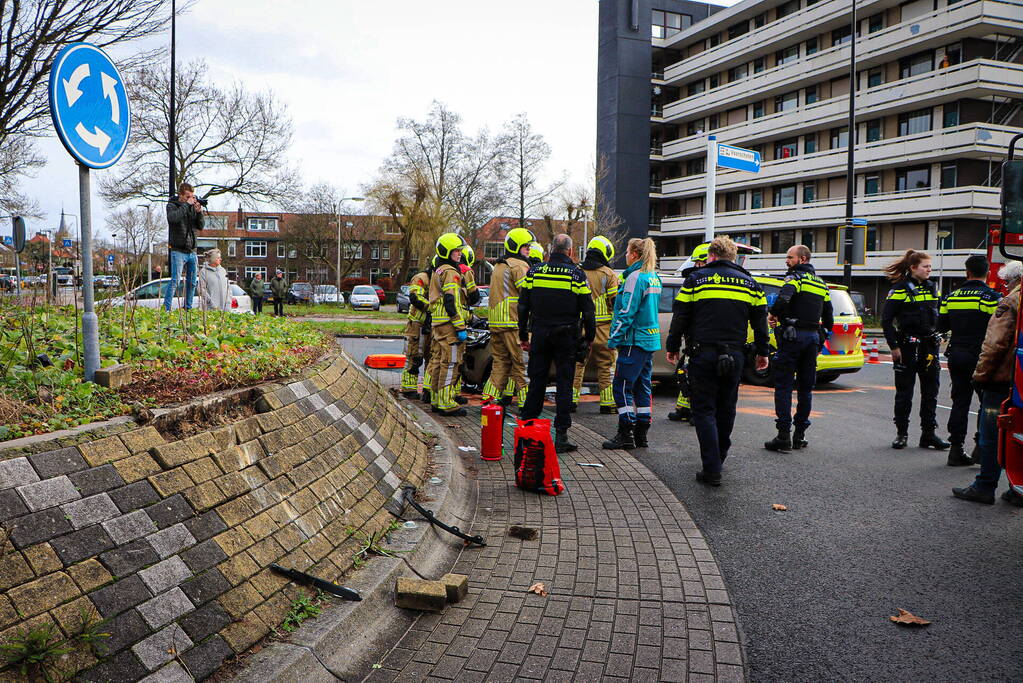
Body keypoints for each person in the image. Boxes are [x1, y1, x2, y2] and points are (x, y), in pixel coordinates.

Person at [666, 236, 769, 486]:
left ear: (711, 256)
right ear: (733, 257)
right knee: (726, 409)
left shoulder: (695, 280)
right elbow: (760, 323)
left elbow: (680, 316)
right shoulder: (751, 284)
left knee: (704, 410)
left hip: (703, 354)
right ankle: (719, 458)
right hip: (734, 355)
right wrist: (762, 353)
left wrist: (672, 347)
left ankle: (711, 468)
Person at [953, 261, 1023, 506]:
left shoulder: (1009, 303)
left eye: (1006, 282)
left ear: (1012, 281)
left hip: (1000, 380)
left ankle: (984, 486)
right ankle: (1017, 488)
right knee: (1018, 435)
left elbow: (994, 344)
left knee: (992, 434)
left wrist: (980, 376)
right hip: (1019, 380)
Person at [519, 233, 596, 453]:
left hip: (541, 333)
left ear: (551, 249)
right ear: (570, 251)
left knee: (537, 382)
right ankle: (561, 436)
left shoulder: (534, 271)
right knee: (564, 384)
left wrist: (524, 335)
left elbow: (523, 305)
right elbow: (588, 310)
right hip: (566, 336)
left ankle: (527, 430)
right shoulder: (576, 274)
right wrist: (589, 338)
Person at [764, 245, 834, 452]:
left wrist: (773, 314)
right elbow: (829, 317)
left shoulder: (795, 278)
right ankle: (800, 436)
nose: (787, 261)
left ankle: (783, 436)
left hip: (792, 338)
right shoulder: (822, 284)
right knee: (805, 389)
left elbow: (784, 298)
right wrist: (821, 338)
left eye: (790, 257)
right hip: (812, 340)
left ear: (802, 259)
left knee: (784, 386)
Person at [882, 249, 950, 450]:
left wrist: (941, 333)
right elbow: (886, 320)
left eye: (930, 266)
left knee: (931, 393)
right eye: (926, 266)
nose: (929, 270)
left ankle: (928, 434)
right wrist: (894, 347)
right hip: (907, 348)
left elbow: (936, 317)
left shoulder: (932, 288)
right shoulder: (899, 289)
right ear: (913, 268)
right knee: (905, 393)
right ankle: (901, 434)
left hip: (929, 347)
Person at [938, 254, 1000, 466]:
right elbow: (997, 328)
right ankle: (980, 449)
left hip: (957, 355)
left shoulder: (951, 297)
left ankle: (955, 450)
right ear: (988, 272)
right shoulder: (991, 297)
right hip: (982, 356)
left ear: (967, 272)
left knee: (960, 402)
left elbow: (941, 325)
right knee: (987, 403)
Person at [602, 238, 662, 450]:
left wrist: (613, 339)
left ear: (635, 254)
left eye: (627, 251)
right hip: (649, 340)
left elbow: (626, 313)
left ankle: (625, 432)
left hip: (633, 341)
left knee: (622, 386)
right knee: (642, 386)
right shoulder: (653, 276)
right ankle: (641, 434)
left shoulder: (635, 278)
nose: (625, 255)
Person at [482, 227, 535, 406]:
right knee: (522, 365)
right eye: (526, 246)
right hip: (513, 322)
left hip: (496, 322)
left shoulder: (499, 264)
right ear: (517, 246)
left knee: (500, 364)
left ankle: (488, 400)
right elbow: (528, 293)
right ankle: (527, 404)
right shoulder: (519, 265)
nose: (529, 249)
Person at [573, 236, 620, 414]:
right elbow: (615, 303)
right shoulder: (608, 274)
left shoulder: (576, 271)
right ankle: (608, 404)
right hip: (603, 328)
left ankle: (571, 401)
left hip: (579, 328)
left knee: (577, 365)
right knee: (606, 366)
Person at [427, 233, 469, 416]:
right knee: (450, 363)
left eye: (460, 251)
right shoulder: (451, 272)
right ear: (446, 252)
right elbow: (451, 300)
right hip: (450, 325)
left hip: (439, 323)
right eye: (455, 251)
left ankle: (436, 399)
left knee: (438, 362)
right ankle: (446, 402)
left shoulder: (438, 270)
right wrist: (460, 327)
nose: (459, 254)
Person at [668, 242, 710, 423]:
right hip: (693, 334)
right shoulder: (696, 279)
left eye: (698, 263)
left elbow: (683, 312)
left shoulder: (698, 282)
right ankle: (683, 408)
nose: (696, 266)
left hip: (698, 335)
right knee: (685, 370)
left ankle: (693, 410)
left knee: (693, 373)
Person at [164, 182, 205, 311]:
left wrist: (199, 213)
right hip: (178, 250)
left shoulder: (192, 207)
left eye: (191, 196)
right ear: (180, 195)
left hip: (192, 250)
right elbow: (173, 219)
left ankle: (188, 308)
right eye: (187, 196)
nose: (190, 199)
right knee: (175, 280)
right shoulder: (172, 206)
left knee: (192, 283)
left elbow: (200, 226)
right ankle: (166, 308)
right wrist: (186, 205)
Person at [401, 261, 433, 399]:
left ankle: (428, 390)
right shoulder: (421, 278)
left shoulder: (439, 280)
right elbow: (415, 298)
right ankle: (409, 390)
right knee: (414, 357)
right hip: (417, 324)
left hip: (432, 325)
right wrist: (432, 308)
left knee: (431, 358)